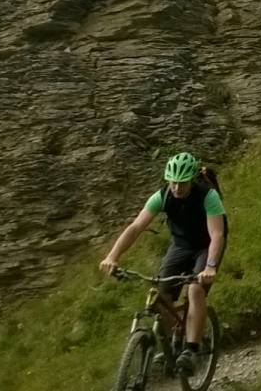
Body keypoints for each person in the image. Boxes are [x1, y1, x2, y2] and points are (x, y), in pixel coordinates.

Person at [99, 152, 227, 376]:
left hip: (206, 246)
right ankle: (172, 342)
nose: (177, 187)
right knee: (161, 297)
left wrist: (210, 267)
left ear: (192, 179)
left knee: (195, 290)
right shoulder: (162, 196)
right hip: (180, 246)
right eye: (173, 182)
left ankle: (191, 350)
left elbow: (217, 235)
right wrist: (112, 256)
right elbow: (135, 228)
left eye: (182, 183)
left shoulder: (208, 195)